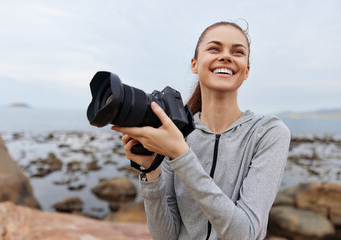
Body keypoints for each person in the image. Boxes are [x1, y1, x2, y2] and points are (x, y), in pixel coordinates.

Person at [111, 21, 291, 240]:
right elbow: (165, 236)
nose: (226, 56)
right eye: (214, 48)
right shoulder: (176, 131)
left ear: (246, 71)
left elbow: (244, 234)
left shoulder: (267, 132)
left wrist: (181, 155)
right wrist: (151, 171)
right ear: (195, 64)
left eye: (237, 52)